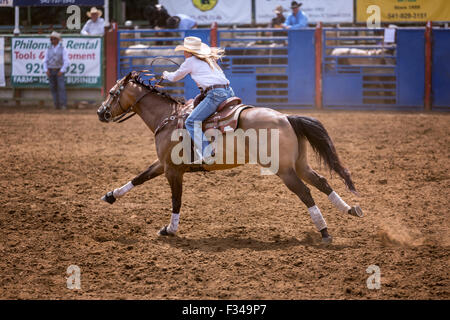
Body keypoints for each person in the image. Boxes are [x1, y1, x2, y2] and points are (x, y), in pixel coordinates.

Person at [162, 36, 234, 164]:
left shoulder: (190, 62)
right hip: (229, 92)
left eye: (184, 50)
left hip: (215, 94)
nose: (184, 53)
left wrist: (165, 74)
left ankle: (207, 153)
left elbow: (175, 77)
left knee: (191, 122)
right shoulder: (210, 60)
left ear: (188, 51)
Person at [43, 31, 70, 110]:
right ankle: (56, 104)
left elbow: (66, 61)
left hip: (59, 70)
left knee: (61, 88)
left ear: (58, 40)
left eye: (54, 39)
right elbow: (45, 60)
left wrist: (62, 70)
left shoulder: (63, 49)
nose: (52, 41)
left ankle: (63, 104)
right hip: (51, 70)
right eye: (51, 39)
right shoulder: (48, 49)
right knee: (53, 88)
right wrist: (46, 69)